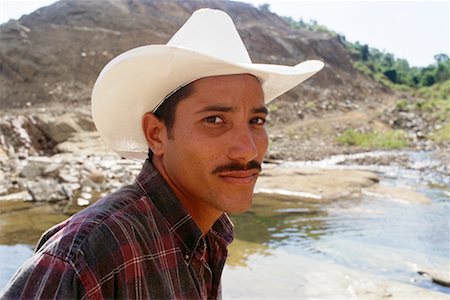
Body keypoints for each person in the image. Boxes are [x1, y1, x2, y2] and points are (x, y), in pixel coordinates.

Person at [1, 8, 323, 299]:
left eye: (256, 121)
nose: (248, 150)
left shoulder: (209, 236)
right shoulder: (88, 254)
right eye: (214, 120)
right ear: (156, 134)